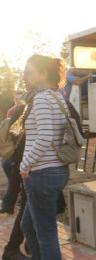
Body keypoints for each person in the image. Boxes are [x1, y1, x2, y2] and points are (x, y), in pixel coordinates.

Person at [17, 54, 70, 259]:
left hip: (41, 173)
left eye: (30, 72)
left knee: (46, 235)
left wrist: (24, 165)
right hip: (55, 170)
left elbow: (45, 137)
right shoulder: (58, 98)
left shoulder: (41, 98)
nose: (26, 77)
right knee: (27, 226)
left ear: (43, 73)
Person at [1, 91, 24, 214]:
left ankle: (8, 204)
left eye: (20, 98)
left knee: (14, 176)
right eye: (16, 98)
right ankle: (15, 189)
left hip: (20, 148)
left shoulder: (26, 109)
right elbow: (9, 131)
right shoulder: (11, 111)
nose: (18, 100)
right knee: (6, 165)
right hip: (13, 146)